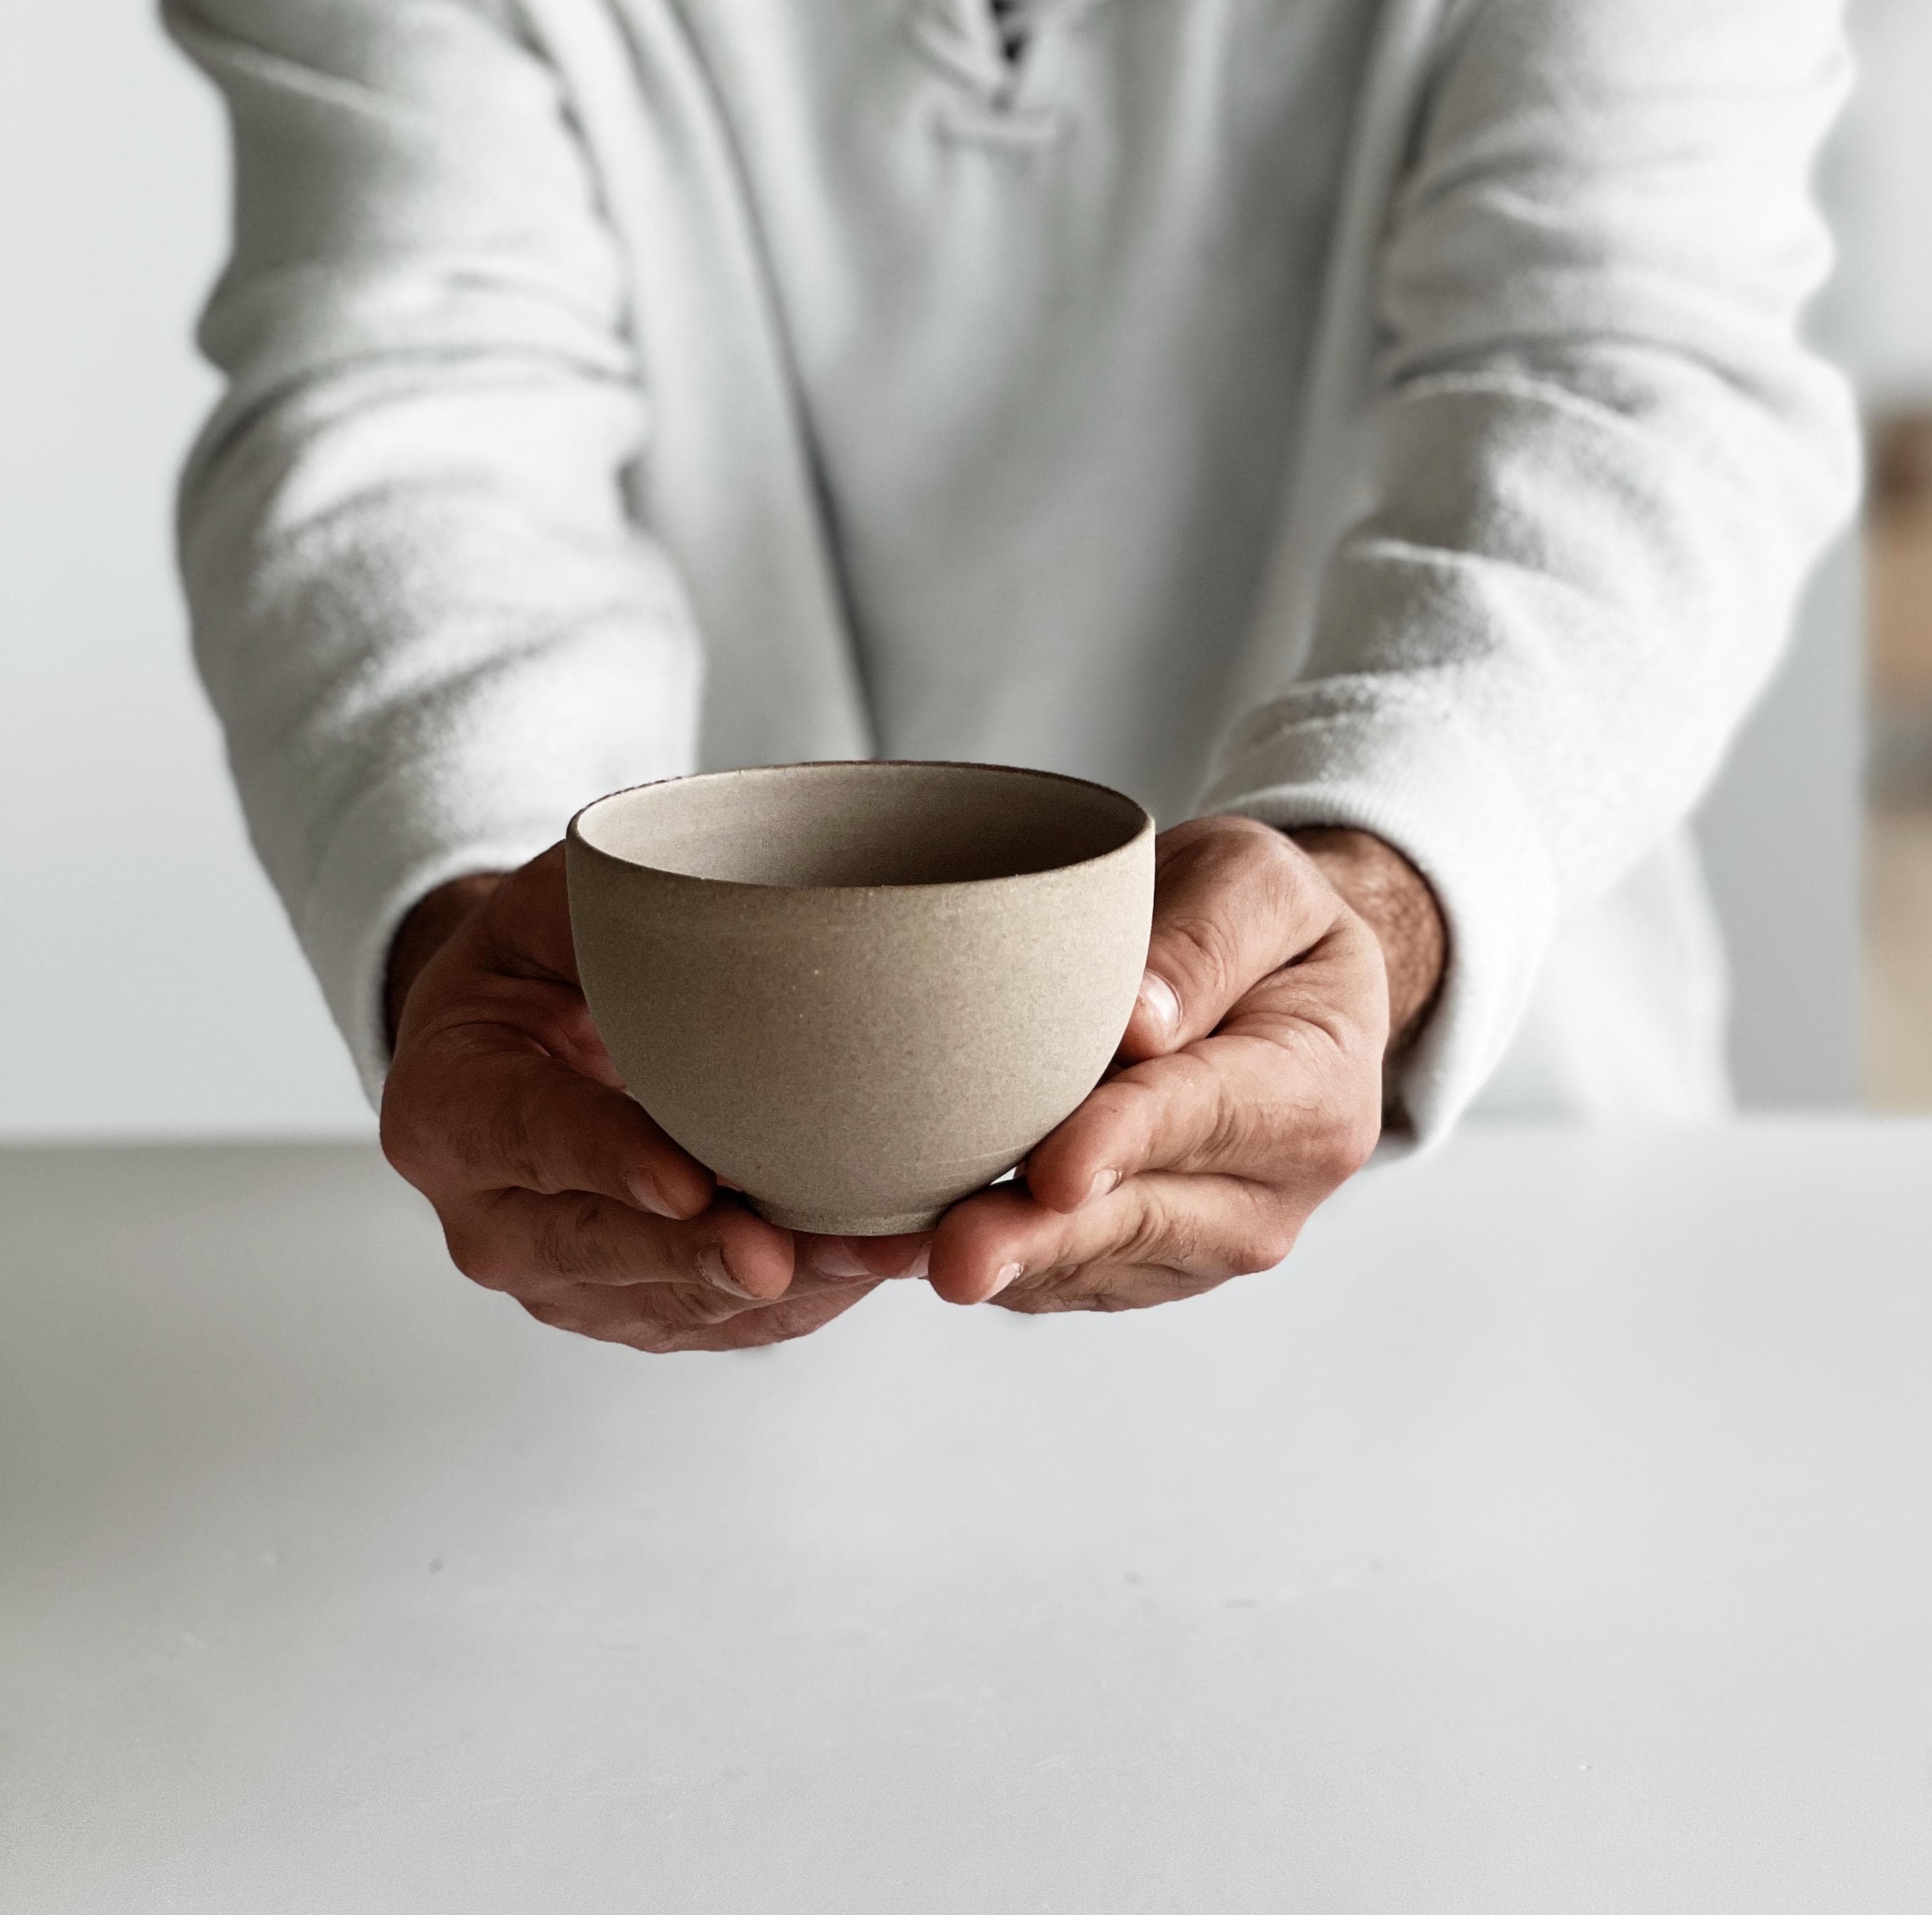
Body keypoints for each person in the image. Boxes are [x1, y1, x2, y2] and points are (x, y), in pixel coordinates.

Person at [165, 0, 1857, 1349]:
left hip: (1507, 1224)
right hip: (679, 1206)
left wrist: (1386, 889)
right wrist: (474, 926)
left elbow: (1627, 378)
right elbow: (411, 406)